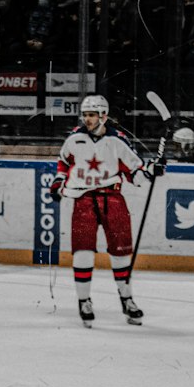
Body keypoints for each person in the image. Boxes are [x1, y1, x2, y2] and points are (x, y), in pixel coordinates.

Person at [51, 93, 161, 325]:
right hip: (83, 199)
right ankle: (84, 301)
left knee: (121, 252)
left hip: (112, 198)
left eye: (91, 115)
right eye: (85, 115)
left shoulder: (118, 140)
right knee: (82, 250)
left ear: (104, 115)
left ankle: (126, 298)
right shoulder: (74, 138)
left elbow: (135, 173)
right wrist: (58, 181)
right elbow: (64, 163)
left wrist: (151, 171)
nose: (87, 120)